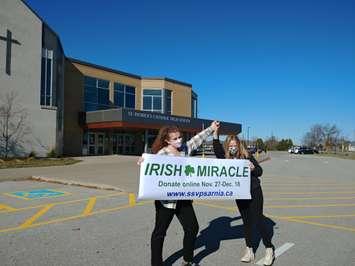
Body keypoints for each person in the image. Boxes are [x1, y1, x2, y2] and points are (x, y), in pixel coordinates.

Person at [139, 121, 220, 266]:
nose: (179, 140)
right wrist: (144, 161)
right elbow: (150, 166)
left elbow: (197, 139)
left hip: (183, 198)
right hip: (166, 201)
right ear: (166, 140)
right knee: (160, 232)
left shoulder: (184, 149)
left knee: (192, 228)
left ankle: (187, 260)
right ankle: (156, 263)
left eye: (180, 137)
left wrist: (211, 128)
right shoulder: (161, 154)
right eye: (175, 139)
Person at [212, 128, 274, 265]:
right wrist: (215, 134)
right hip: (240, 194)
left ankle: (269, 248)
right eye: (230, 146)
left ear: (239, 145)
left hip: (254, 190)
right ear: (228, 147)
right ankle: (249, 250)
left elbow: (260, 171)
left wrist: (253, 167)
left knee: (258, 219)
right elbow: (217, 151)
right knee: (246, 222)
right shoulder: (226, 159)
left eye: (235, 145)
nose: (233, 147)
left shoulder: (246, 156)